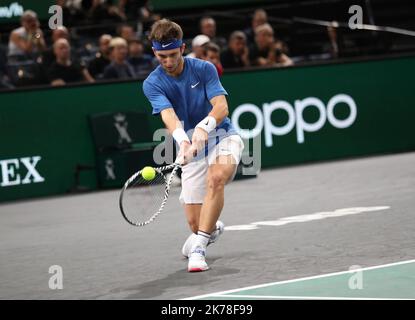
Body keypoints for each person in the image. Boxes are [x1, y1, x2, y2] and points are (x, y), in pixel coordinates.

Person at [143, 19, 244, 272]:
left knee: (217, 178)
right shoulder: (152, 83)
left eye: (173, 55)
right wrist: (184, 141)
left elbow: (221, 106)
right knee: (195, 224)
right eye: (162, 56)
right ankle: (210, 230)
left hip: (223, 137)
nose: (168, 61)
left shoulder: (205, 69)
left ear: (183, 48)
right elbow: (168, 116)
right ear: (154, 52)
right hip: (190, 148)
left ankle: (199, 250)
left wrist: (202, 128)